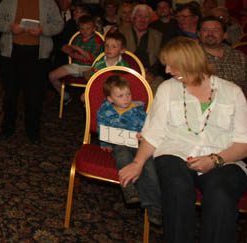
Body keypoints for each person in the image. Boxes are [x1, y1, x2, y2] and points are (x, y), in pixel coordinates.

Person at [119, 37, 247, 243]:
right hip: (175, 152)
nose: (167, 70)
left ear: (190, 62)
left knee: (220, 195)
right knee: (178, 188)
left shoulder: (232, 92)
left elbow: (243, 144)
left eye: (172, 65)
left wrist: (214, 160)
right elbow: (154, 132)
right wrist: (137, 163)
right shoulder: (168, 89)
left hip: (223, 157)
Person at [0, 0, 63, 142]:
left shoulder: (48, 1)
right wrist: (10, 27)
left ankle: (33, 131)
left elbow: (58, 24)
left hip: (37, 54)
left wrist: (43, 30)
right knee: (10, 94)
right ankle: (8, 128)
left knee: (35, 95)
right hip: (12, 52)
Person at [97, 75, 162, 225]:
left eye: (128, 94)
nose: (126, 98)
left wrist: (143, 135)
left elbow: (148, 127)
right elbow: (102, 125)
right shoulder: (105, 110)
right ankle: (129, 188)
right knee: (121, 155)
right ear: (110, 99)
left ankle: (154, 205)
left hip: (138, 144)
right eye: (120, 96)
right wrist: (104, 141)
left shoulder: (138, 111)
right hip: (119, 142)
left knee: (149, 166)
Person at [48, 15, 103, 104]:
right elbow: (74, 55)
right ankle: (65, 96)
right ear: (79, 29)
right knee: (52, 75)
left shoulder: (97, 40)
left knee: (90, 78)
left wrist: (79, 50)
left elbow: (94, 59)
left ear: (94, 28)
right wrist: (69, 51)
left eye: (88, 28)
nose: (85, 31)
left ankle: (90, 101)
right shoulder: (77, 39)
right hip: (76, 65)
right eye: (82, 29)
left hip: (90, 67)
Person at [198, 16, 247, 96]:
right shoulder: (190, 57)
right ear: (199, 34)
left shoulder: (240, 56)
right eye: (205, 30)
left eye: (216, 30)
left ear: (224, 34)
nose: (210, 34)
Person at [118, 4, 163, 91]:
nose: (142, 20)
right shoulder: (120, 33)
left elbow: (161, 62)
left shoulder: (158, 36)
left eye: (146, 17)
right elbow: (115, 57)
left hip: (151, 76)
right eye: (139, 16)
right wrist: (138, 73)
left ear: (150, 20)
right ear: (133, 18)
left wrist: (151, 74)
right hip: (125, 73)